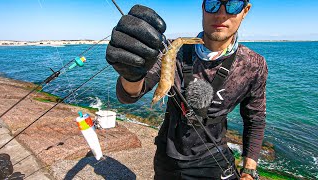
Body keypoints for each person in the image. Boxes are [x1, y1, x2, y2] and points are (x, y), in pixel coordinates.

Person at [106, 0, 267, 179]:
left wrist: (249, 170)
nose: (221, 13)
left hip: (214, 158)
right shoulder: (169, 49)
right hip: (167, 157)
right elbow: (130, 94)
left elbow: (255, 120)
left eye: (233, 5)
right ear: (203, 7)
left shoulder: (254, 65)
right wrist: (131, 75)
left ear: (245, 11)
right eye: (213, 3)